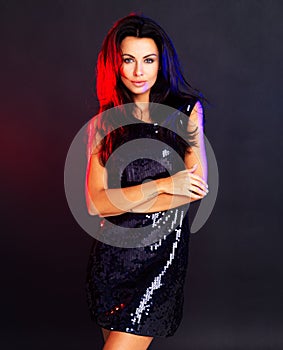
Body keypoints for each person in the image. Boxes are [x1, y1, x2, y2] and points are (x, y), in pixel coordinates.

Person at [85, 13, 209, 350]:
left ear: (161, 62)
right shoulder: (103, 124)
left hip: (159, 263)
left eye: (148, 60)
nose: (139, 71)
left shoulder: (185, 111)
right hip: (111, 262)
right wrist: (163, 185)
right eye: (129, 60)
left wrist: (121, 199)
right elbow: (95, 203)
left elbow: (194, 189)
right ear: (116, 65)